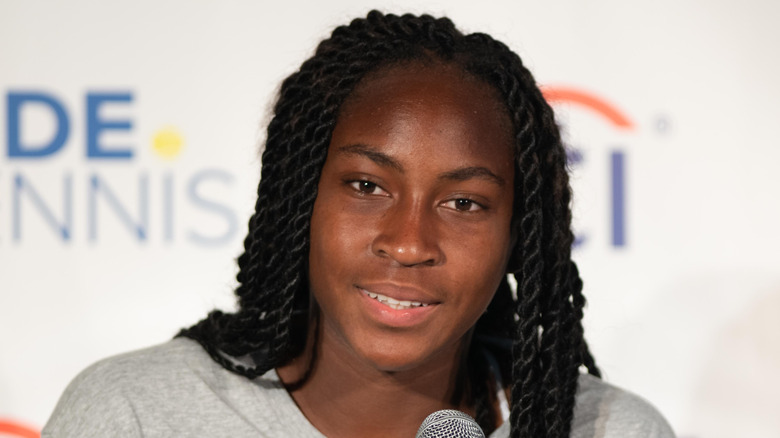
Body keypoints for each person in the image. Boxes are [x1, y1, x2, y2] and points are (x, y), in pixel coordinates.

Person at [43, 11, 675, 438]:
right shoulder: (136, 416)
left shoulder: (611, 430)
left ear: (519, 237)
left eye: (464, 204)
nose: (408, 242)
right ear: (299, 202)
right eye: (367, 186)